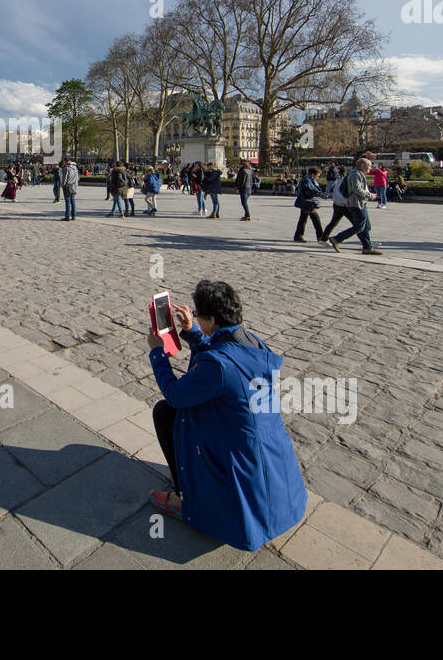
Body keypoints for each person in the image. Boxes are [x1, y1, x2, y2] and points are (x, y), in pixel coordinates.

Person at [145, 279, 307, 549]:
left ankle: (184, 497)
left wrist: (157, 354)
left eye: (198, 315)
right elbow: (221, 363)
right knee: (176, 413)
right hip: (265, 448)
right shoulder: (252, 342)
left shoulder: (218, 365)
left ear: (211, 319)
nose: (196, 318)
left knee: (167, 412)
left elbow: (176, 393)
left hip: (236, 455)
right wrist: (194, 334)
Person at [327, 158, 379, 254]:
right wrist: (370, 195)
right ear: (362, 165)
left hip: (360, 203)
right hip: (356, 204)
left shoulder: (357, 174)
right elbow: (357, 189)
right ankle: (337, 239)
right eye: (369, 165)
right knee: (359, 227)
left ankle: (367, 247)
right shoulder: (356, 174)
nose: (371, 168)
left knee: (366, 226)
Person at [293, 167, 326, 243]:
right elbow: (311, 190)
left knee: (303, 219)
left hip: (306, 202)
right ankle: (321, 237)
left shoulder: (308, 179)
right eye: (317, 175)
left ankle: (298, 235)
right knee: (316, 220)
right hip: (309, 202)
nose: (318, 177)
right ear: (313, 174)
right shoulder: (307, 180)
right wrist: (320, 193)